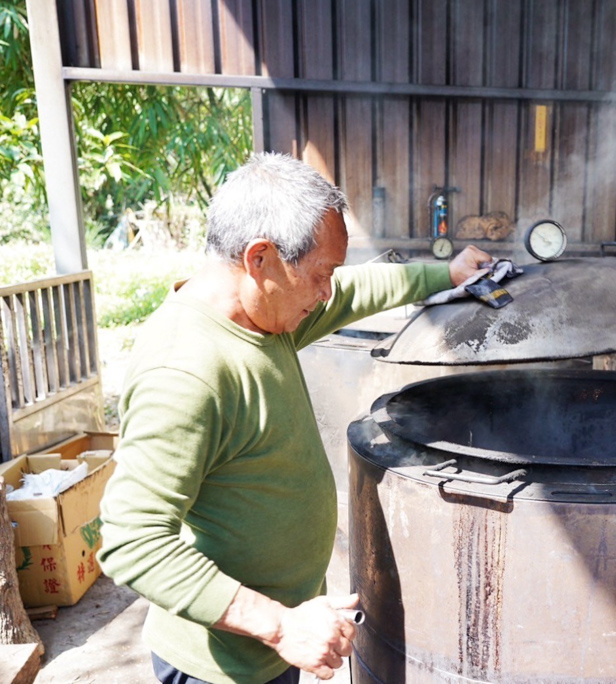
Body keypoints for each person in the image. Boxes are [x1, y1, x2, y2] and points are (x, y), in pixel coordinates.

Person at [98, 152, 492, 684]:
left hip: (271, 646)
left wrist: (443, 273)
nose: (327, 290)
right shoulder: (186, 371)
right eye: (320, 274)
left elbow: (352, 293)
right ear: (261, 259)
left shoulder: (264, 316)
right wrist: (281, 626)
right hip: (221, 666)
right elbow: (132, 539)